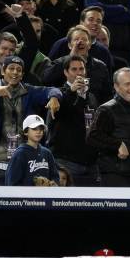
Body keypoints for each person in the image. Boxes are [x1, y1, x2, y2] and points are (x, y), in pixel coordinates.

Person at [0, 55, 62, 186]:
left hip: (25, 163)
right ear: (2, 71)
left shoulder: (30, 91)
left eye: (18, 70)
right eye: (11, 68)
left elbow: (52, 90)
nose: (15, 72)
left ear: (22, 74)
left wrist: (54, 97)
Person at [87, 68, 130, 187]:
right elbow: (92, 136)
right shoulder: (107, 109)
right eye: (127, 84)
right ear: (116, 87)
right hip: (116, 178)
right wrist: (117, 145)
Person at [47, 54, 99, 186]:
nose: (79, 73)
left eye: (81, 69)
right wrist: (71, 91)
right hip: (66, 162)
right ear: (65, 72)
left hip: (90, 162)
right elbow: (58, 114)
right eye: (74, 69)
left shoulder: (91, 97)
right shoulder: (57, 94)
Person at [42, 25, 113, 104]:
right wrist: (70, 57)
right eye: (76, 39)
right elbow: (46, 79)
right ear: (69, 45)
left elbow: (107, 95)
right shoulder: (59, 63)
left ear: (89, 45)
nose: (80, 42)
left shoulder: (100, 66)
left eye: (84, 39)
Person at [48, 6, 114, 71]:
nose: (95, 23)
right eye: (91, 19)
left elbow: (108, 79)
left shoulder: (104, 51)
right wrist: (69, 58)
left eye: (99, 21)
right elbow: (47, 73)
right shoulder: (62, 44)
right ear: (81, 22)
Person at [5, 114, 59, 186]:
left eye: (41, 129)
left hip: (45, 196)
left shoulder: (47, 153)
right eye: (34, 129)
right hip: (26, 196)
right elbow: (11, 183)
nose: (38, 131)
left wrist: (51, 184)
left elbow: (55, 178)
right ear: (26, 132)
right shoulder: (20, 154)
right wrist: (32, 187)